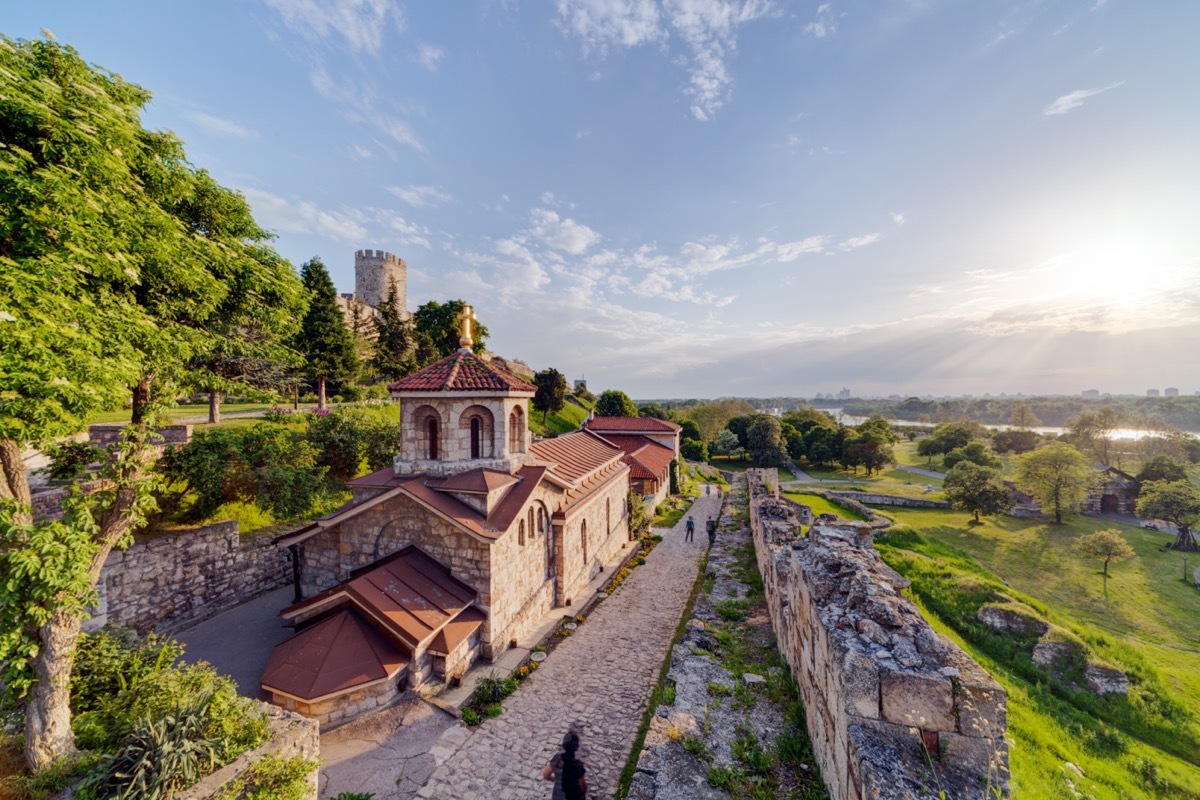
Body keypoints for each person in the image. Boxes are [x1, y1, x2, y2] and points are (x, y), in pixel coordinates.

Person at [544, 729, 588, 799]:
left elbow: (546, 775)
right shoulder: (577, 765)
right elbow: (583, 787)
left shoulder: (557, 758)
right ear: (576, 747)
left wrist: (558, 779)